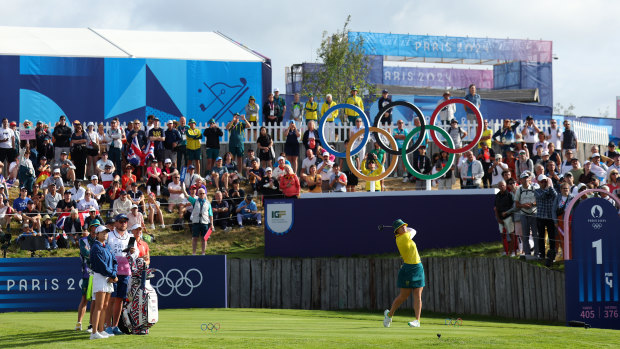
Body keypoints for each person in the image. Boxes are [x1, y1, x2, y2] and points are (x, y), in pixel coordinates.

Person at [383, 219, 424, 328]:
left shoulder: (404, 235)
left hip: (418, 267)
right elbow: (414, 230)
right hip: (407, 269)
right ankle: (389, 314)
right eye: (401, 227)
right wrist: (405, 230)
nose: (404, 227)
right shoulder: (403, 238)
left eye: (405, 226)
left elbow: (411, 230)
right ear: (397, 231)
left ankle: (417, 321)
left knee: (418, 296)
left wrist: (403, 228)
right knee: (403, 296)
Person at [104, 213, 138, 336]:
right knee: (111, 299)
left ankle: (115, 326)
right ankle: (107, 326)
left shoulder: (130, 237)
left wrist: (133, 252)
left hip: (126, 270)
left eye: (125, 221)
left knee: (120, 299)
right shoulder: (109, 236)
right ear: (116, 223)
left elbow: (135, 255)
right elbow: (105, 251)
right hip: (112, 270)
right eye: (121, 221)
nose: (123, 223)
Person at [89, 225, 117, 340]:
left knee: (105, 305)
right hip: (100, 277)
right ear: (97, 234)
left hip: (109, 277)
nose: (105, 234)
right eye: (102, 232)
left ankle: (101, 330)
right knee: (99, 306)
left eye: (106, 232)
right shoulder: (95, 247)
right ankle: (94, 332)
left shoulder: (108, 246)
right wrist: (113, 275)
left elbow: (114, 261)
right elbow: (101, 265)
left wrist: (114, 274)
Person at [515, 172, 538, 258]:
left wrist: (532, 204)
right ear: (520, 180)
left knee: (536, 234)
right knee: (525, 234)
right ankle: (527, 253)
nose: (525, 180)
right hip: (524, 214)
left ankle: (536, 253)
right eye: (523, 178)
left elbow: (538, 201)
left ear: (529, 179)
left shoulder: (534, 188)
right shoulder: (519, 190)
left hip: (534, 213)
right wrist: (523, 205)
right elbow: (517, 204)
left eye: (527, 178)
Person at [534, 174, 557, 261]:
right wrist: (548, 190)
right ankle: (542, 254)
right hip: (541, 217)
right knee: (541, 237)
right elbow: (542, 196)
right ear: (539, 182)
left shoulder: (551, 190)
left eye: (545, 181)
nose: (544, 183)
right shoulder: (536, 191)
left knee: (552, 237)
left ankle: (552, 256)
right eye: (542, 182)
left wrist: (550, 187)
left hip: (550, 217)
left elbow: (555, 196)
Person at [494, 181, 516, 256]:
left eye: (503, 185)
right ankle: (505, 251)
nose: (501, 187)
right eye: (500, 186)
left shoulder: (510, 195)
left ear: (506, 186)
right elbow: (495, 208)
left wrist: (508, 214)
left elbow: (513, 207)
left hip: (509, 217)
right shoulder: (497, 196)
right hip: (500, 219)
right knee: (502, 235)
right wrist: (498, 219)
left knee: (511, 234)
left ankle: (512, 251)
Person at [190, 188, 214, 255]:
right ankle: (194, 253)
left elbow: (211, 214)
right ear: (198, 194)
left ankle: (203, 253)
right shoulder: (194, 201)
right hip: (196, 222)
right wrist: (183, 187)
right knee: (195, 238)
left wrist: (212, 224)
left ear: (205, 194)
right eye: (200, 193)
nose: (202, 195)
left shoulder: (208, 203)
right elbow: (187, 196)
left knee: (204, 239)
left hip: (205, 223)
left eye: (203, 193)